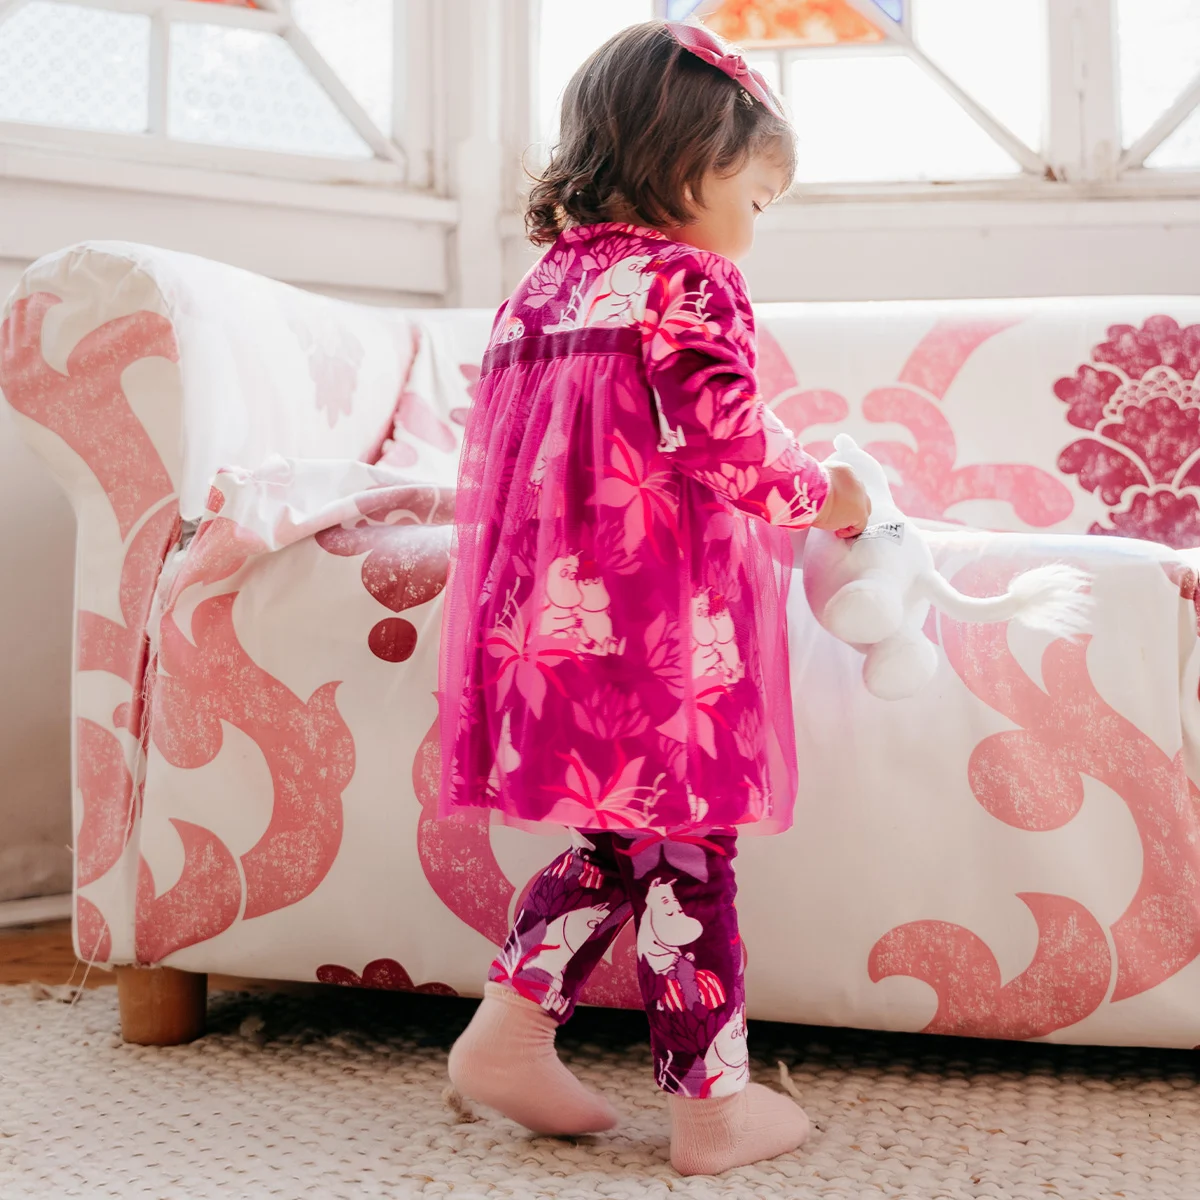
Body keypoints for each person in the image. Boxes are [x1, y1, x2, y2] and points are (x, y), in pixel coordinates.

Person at [437, 19, 871, 1177]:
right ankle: (711, 1110)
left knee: (621, 838)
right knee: (688, 852)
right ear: (689, 165)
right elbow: (730, 450)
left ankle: (508, 1035)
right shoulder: (691, 279)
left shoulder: (542, 289)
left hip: (545, 619)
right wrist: (831, 496)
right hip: (658, 625)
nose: (754, 228)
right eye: (756, 199)